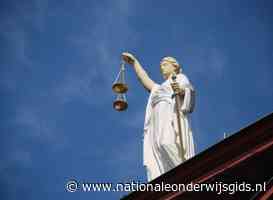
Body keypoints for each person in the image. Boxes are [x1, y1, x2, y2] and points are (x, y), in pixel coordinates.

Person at [122, 52, 195, 181]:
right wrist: (134, 63)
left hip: (169, 114)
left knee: (165, 142)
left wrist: (181, 90)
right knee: (157, 147)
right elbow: (144, 78)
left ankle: (184, 174)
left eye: (165, 64)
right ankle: (167, 178)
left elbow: (188, 89)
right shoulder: (158, 88)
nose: (162, 67)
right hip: (156, 120)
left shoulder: (179, 77)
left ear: (175, 66)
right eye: (161, 65)